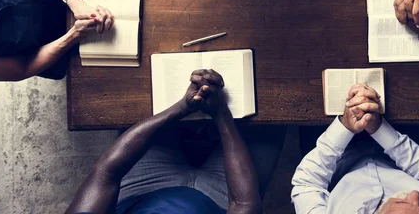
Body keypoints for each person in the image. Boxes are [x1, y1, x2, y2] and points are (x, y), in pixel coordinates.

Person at [66, 69, 282, 214]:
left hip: (145, 189)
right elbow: (244, 204)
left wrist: (181, 108)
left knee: (141, 96)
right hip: (219, 199)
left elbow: (106, 173)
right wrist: (220, 114)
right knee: (272, 110)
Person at [292, 83, 419, 213]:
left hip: (335, 163)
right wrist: (379, 128)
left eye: (403, 203)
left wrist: (345, 127)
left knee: (304, 88)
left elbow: (307, 183)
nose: (416, 195)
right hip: (405, 153)